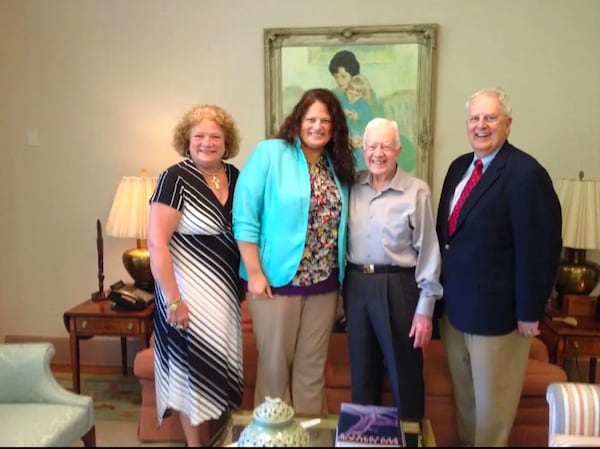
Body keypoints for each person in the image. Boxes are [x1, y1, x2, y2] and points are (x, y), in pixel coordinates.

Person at [435, 87, 562, 446]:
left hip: (498, 317)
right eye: (474, 118)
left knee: (492, 414)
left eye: (490, 117)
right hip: (455, 311)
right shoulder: (459, 167)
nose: (481, 125)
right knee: (467, 406)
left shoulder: (526, 174)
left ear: (507, 123)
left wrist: (530, 311)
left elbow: (541, 247)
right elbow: (445, 236)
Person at [232, 88, 355, 415]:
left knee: (311, 373)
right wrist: (254, 273)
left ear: (335, 127)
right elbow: (245, 216)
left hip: (325, 287)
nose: (317, 126)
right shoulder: (270, 154)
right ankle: (273, 439)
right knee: (274, 372)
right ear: (298, 120)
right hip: (275, 284)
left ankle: (311, 439)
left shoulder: (337, 164)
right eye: (311, 118)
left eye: (325, 121)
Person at [147, 103, 244, 446]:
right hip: (185, 294)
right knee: (191, 378)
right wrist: (173, 300)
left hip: (224, 298)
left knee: (214, 373)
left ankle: (216, 441)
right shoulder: (175, 178)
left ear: (226, 141)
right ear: (186, 140)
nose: (207, 142)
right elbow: (156, 243)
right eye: (199, 135)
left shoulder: (235, 176)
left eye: (215, 136)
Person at [343, 118, 442, 431]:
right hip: (356, 285)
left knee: (405, 375)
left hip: (399, 286)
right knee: (362, 374)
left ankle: (410, 439)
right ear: (363, 149)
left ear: (399, 149)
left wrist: (426, 309)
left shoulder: (416, 191)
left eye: (386, 146)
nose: (378, 153)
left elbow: (429, 251)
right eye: (372, 146)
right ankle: (363, 441)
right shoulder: (351, 187)